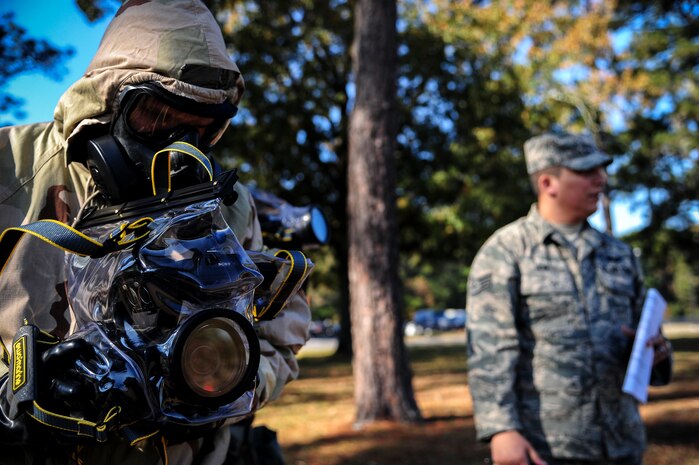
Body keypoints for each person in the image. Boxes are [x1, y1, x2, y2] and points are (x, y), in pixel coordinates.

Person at [0, 1, 310, 464]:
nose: (177, 151)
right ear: (105, 101)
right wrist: (17, 391)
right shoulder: (10, 167)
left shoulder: (232, 208)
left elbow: (278, 344)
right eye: (158, 118)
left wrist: (204, 386)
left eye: (199, 129)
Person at [465, 132, 673, 465]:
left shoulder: (619, 255)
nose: (601, 180)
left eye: (602, 170)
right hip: (546, 447)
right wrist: (502, 430)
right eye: (587, 172)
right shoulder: (505, 252)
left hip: (621, 443)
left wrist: (657, 353)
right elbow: (490, 351)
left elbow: (642, 339)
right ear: (548, 183)